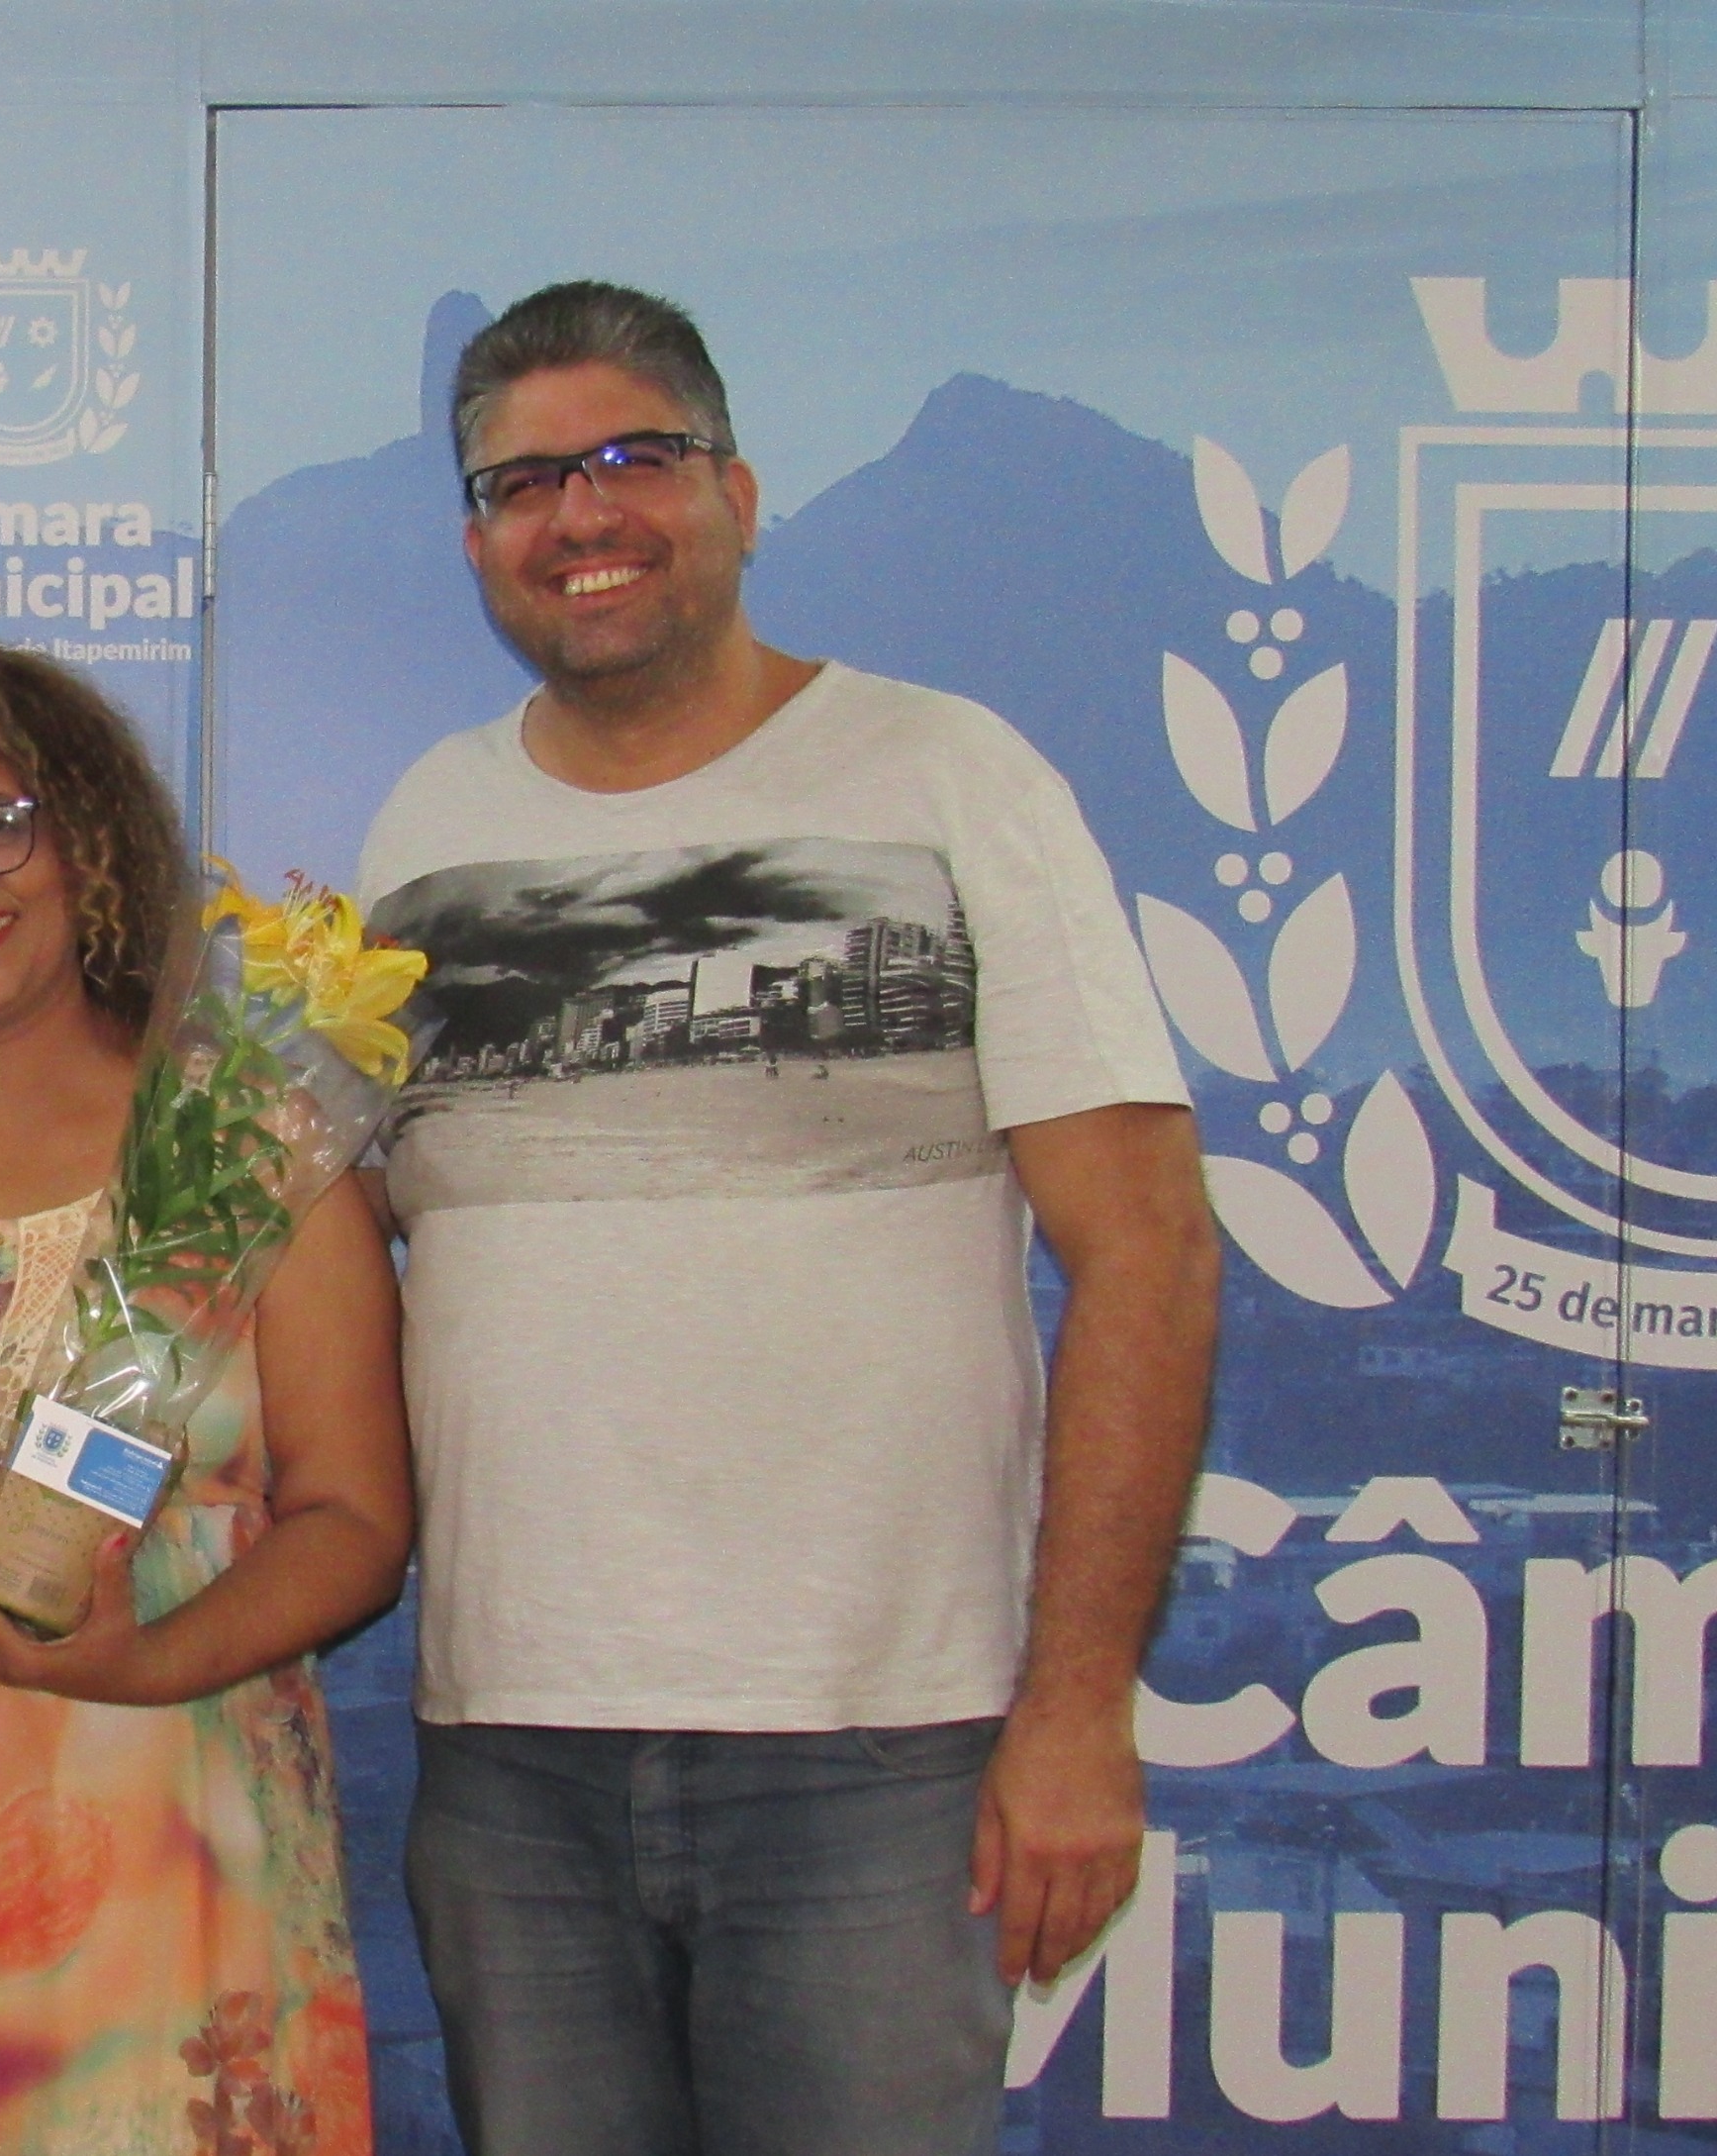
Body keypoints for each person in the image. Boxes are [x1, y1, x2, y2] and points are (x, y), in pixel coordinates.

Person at [357, 282, 1219, 2155]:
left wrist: (1080, 1706)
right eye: (521, 482)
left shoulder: (949, 775)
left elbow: (1148, 1248)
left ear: (738, 494)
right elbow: (347, 1244)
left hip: (880, 1747)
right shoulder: (426, 831)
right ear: (476, 542)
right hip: (510, 1748)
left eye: (631, 457)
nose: (580, 514)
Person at [0, 644, 413, 2156]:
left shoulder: (260, 1139)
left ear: (88, 837)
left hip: (196, 1868)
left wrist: (146, 1658)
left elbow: (357, 1520)